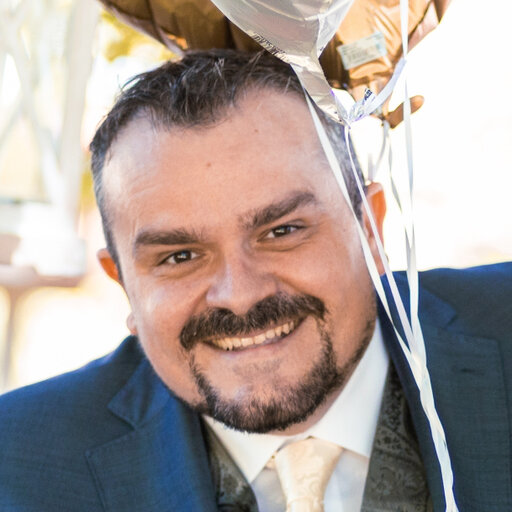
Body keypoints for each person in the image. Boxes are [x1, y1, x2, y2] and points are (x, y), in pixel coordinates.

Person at [0, 50, 510, 512]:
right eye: (180, 256)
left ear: (370, 230)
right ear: (125, 285)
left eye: (281, 231)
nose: (240, 295)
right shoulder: (18, 466)